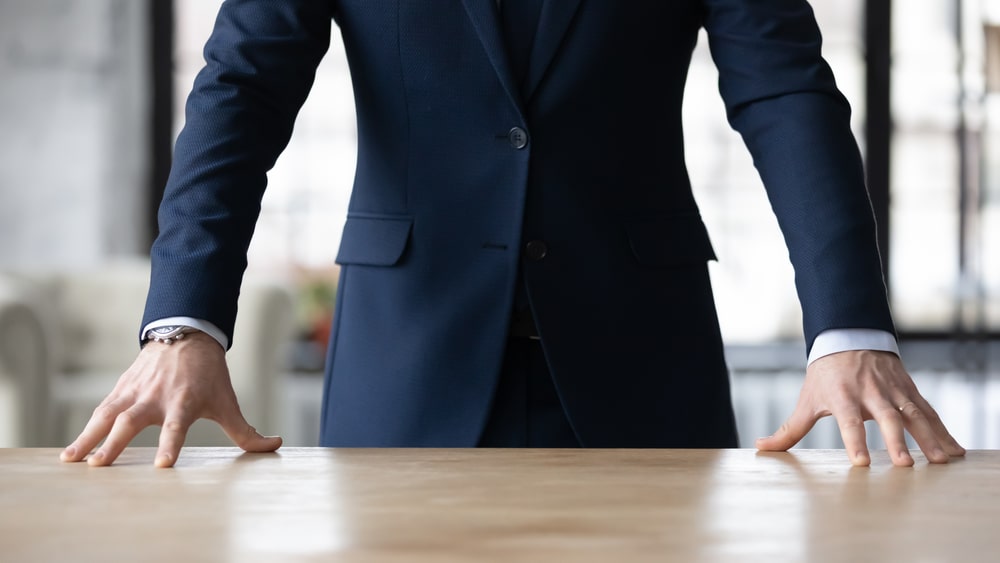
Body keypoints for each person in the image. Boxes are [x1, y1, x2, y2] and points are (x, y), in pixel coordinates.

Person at [61, 0, 965, 468]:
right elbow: (242, 89)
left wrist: (846, 324)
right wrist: (185, 319)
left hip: (642, 372)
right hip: (407, 368)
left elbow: (785, 89)